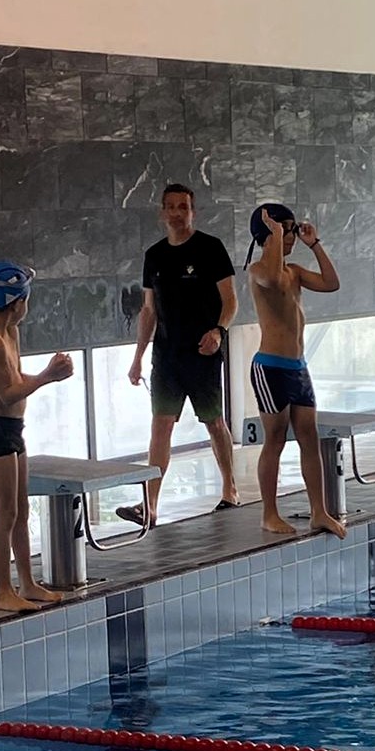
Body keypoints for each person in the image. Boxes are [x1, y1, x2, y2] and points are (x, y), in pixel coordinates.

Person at [119, 183, 240, 529]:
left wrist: (218, 331)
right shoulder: (154, 256)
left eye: (183, 207)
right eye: (170, 207)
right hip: (167, 356)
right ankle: (150, 506)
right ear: (162, 213)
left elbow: (231, 300)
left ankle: (230, 488)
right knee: (160, 427)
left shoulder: (210, 248)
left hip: (202, 353)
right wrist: (137, 357)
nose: (176, 213)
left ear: (192, 212)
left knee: (214, 423)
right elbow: (148, 311)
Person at [0, 260, 74, 613]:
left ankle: (27, 583)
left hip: (13, 430)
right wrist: (47, 376)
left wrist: (47, 374)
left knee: (22, 511)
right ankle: (3, 591)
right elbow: (7, 394)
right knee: (6, 513)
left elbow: (15, 377)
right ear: (16, 302)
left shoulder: (9, 332)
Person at [244, 203, 346, 539]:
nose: (291, 237)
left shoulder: (296, 272)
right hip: (270, 367)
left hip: (298, 367)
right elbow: (273, 280)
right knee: (275, 439)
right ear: (268, 234)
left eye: (290, 230)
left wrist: (314, 244)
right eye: (286, 230)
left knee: (309, 439)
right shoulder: (258, 270)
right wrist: (275, 235)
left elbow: (332, 283)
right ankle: (269, 514)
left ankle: (319, 511)